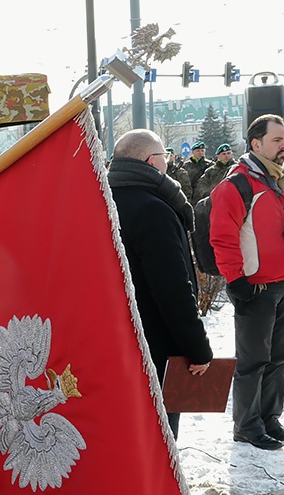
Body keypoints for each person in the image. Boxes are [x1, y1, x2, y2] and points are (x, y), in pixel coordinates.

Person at [210, 114, 284, 450]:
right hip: (256, 287)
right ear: (256, 144)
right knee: (253, 361)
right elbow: (222, 237)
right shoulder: (238, 183)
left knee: (278, 356)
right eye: (277, 140)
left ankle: (270, 419)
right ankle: (247, 426)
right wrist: (235, 279)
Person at [107, 129, 213, 440]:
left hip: (111, 345)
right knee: (159, 438)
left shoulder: (102, 200)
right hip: (154, 349)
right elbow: (172, 290)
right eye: (165, 157)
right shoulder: (153, 208)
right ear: (152, 161)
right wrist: (197, 348)